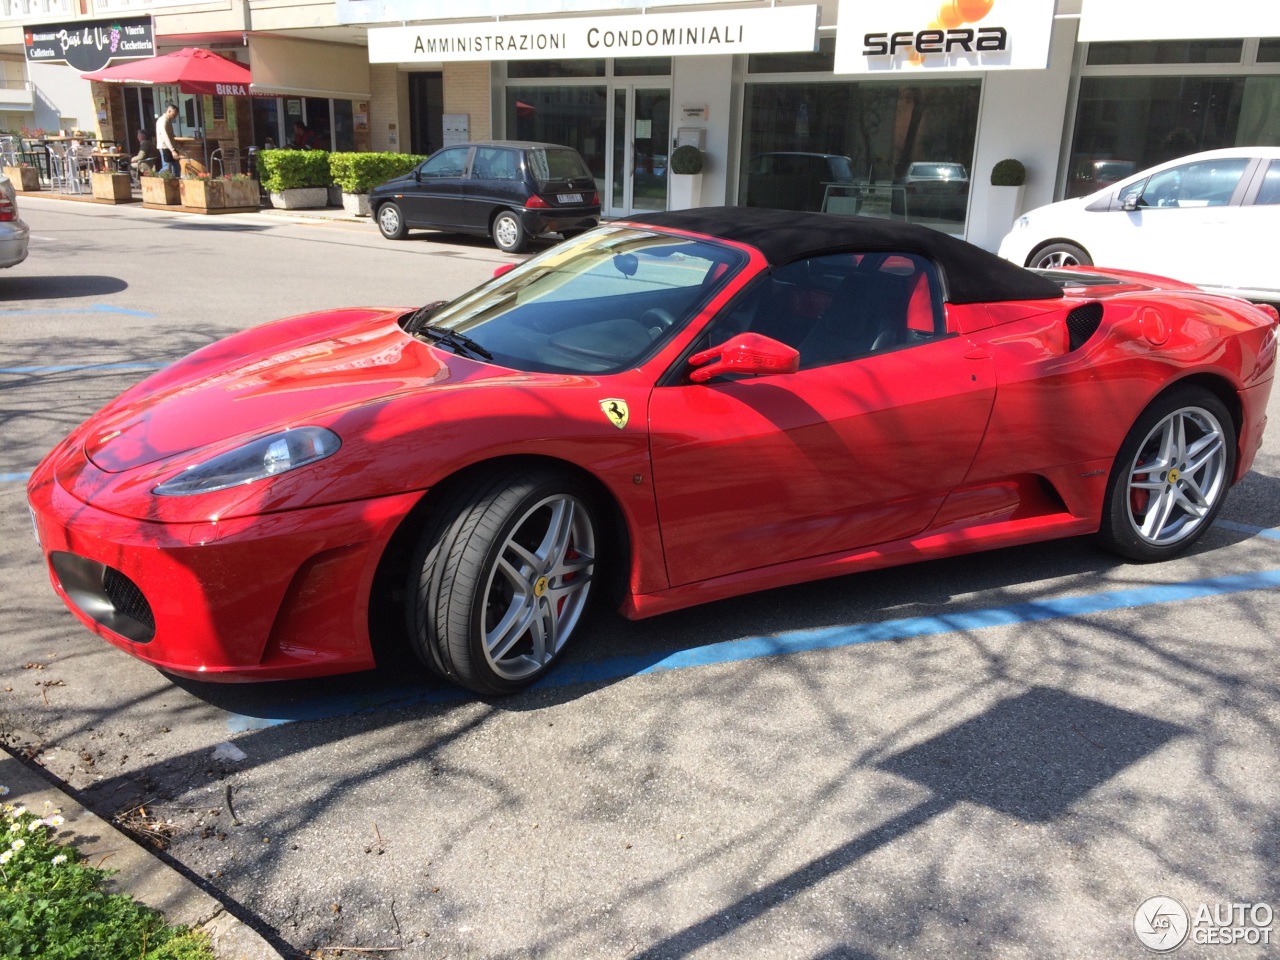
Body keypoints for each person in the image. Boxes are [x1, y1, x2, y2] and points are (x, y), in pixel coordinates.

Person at [155, 102, 180, 177]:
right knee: (167, 167)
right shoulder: (163, 120)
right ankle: (155, 179)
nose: (175, 116)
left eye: (176, 114)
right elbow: (165, 135)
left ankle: (177, 183)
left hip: (170, 146)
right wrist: (172, 150)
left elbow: (170, 134)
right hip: (165, 147)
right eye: (174, 114)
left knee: (176, 166)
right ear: (169, 111)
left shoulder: (168, 120)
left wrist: (176, 142)